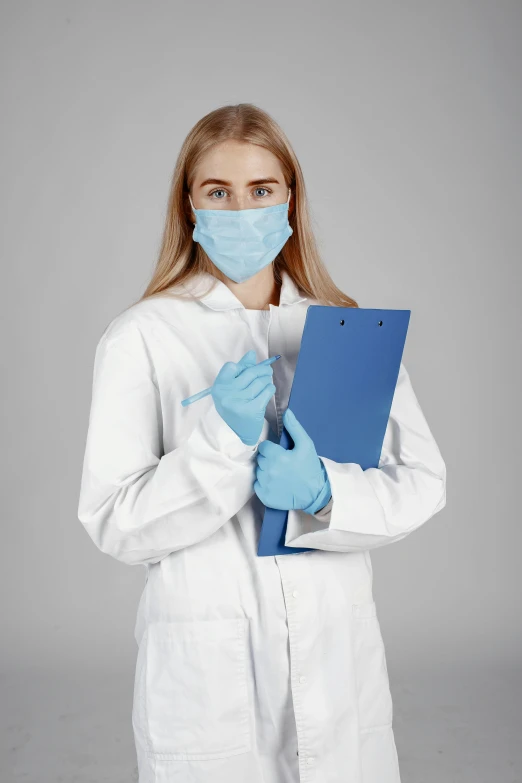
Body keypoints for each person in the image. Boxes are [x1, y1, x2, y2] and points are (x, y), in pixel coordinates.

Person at [77, 103, 447, 783]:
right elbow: (114, 523)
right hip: (207, 670)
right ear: (189, 206)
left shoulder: (347, 329)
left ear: (290, 199)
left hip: (334, 657)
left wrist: (324, 493)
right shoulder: (143, 336)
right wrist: (220, 445)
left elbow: (422, 480)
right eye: (218, 191)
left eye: (261, 190)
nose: (241, 210)